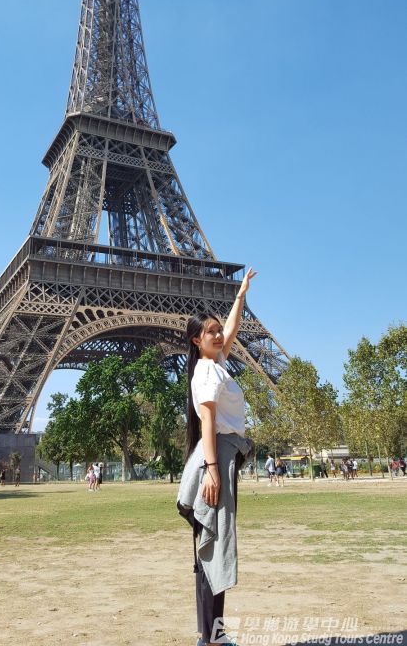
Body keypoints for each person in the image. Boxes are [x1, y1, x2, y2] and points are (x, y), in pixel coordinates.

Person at [177, 267, 256, 646]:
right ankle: (211, 637)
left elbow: (233, 328)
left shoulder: (214, 365)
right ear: (197, 340)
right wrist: (212, 470)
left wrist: (240, 294)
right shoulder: (207, 373)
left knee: (216, 545)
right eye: (210, 331)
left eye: (217, 330)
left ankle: (212, 634)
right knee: (215, 545)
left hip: (221, 454)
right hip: (216, 456)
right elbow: (207, 421)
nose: (218, 334)